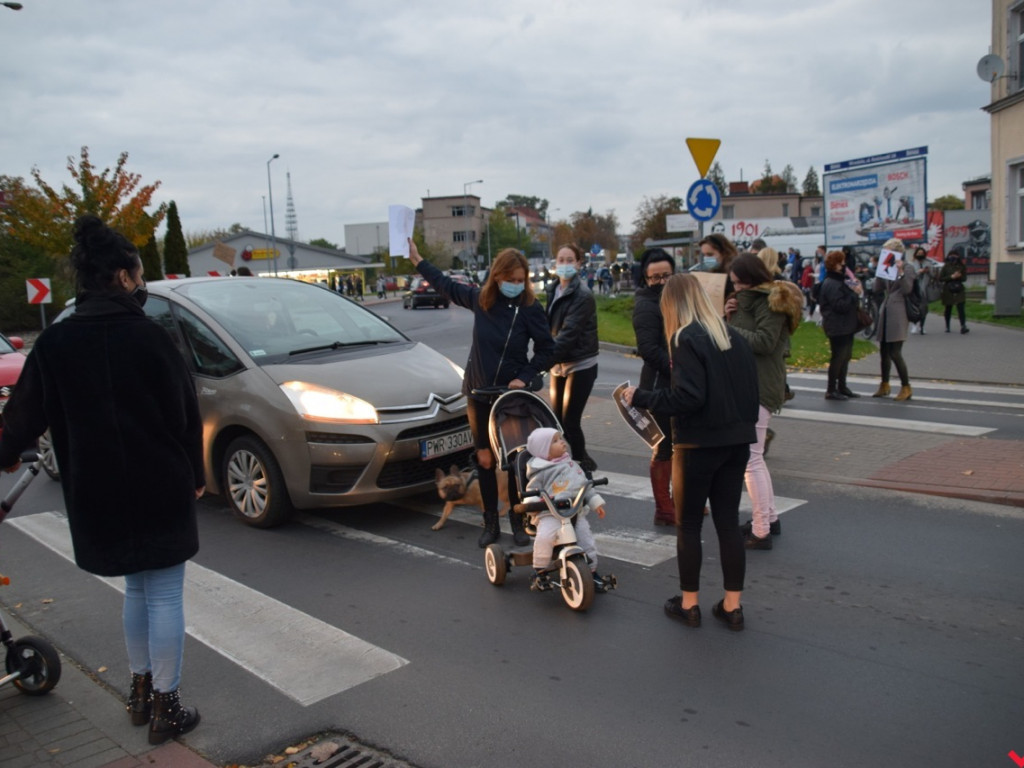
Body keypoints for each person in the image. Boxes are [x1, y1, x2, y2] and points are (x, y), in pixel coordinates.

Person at [0, 215, 203, 744]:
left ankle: (139, 693)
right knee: (162, 593)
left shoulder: (55, 344)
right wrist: (196, 476)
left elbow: (21, 419)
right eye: (138, 274)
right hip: (158, 482)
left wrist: (3, 453)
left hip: (96, 489)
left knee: (136, 589)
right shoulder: (152, 338)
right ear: (123, 277)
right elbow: (185, 415)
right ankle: (167, 706)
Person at [622, 274, 759, 631]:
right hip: (737, 443)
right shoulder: (733, 338)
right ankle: (732, 607)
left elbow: (688, 398)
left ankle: (689, 604)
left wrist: (642, 398)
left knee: (690, 525)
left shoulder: (685, 338)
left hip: (698, 445)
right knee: (728, 524)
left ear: (672, 305)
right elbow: (750, 393)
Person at [408, 239, 554, 547]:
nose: (516, 284)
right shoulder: (481, 300)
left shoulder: (530, 308)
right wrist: (418, 261)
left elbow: (547, 350)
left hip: (511, 398)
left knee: (516, 461)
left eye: (520, 280)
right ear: (497, 276)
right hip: (478, 393)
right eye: (510, 279)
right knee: (486, 461)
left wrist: (524, 377)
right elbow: (446, 285)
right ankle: (490, 523)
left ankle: (517, 519)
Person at [724, 254, 803, 550]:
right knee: (754, 457)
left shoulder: (772, 301)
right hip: (750, 384)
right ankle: (769, 518)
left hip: (759, 387)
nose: (735, 288)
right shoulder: (753, 299)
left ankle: (760, 531)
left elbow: (764, 342)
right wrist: (729, 315)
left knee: (751, 459)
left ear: (750, 279)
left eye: (737, 282)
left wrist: (728, 328)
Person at [523, 428, 608, 591]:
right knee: (545, 537)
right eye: (555, 441)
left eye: (561, 438)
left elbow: (584, 485)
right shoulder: (541, 471)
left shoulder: (571, 465)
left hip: (574, 512)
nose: (562, 442)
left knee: (586, 539)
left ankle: (591, 572)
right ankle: (540, 570)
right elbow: (532, 490)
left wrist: (596, 503)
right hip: (550, 513)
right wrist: (531, 506)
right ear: (545, 452)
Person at [631, 248, 676, 526]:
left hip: (681, 382)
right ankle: (664, 508)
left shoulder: (680, 298)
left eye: (666, 276)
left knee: (682, 445)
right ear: (646, 280)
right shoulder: (646, 305)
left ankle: (680, 498)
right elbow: (648, 348)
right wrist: (676, 366)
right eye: (655, 277)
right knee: (664, 446)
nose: (661, 282)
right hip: (660, 385)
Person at [546, 244, 599, 474]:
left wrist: (540, 363)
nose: (565, 264)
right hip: (558, 364)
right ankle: (571, 460)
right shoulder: (553, 289)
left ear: (578, 264)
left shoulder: (583, 295)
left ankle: (581, 466)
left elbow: (568, 335)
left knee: (570, 421)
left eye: (570, 260)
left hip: (580, 364)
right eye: (561, 259)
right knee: (556, 420)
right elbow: (548, 328)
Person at [871, 237, 916, 401]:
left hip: (899, 312)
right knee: (884, 352)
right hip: (886, 310)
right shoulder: (886, 267)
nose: (885, 254)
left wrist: (901, 271)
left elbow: (907, 289)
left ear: (898, 252)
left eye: (888, 251)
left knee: (895, 352)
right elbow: (877, 288)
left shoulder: (908, 268)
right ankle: (884, 384)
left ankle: (906, 386)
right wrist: (879, 272)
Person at [818, 249, 864, 400]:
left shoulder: (840, 280)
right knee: (838, 357)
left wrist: (856, 289)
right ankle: (831, 389)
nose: (844, 265)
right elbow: (840, 305)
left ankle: (842, 386)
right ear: (836, 265)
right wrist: (853, 294)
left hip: (845, 325)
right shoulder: (832, 283)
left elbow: (855, 290)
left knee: (845, 356)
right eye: (842, 262)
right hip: (837, 326)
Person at [940, 247, 970, 335]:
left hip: (959, 288)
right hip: (948, 289)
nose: (953, 257)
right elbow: (941, 278)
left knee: (961, 307)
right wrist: (951, 277)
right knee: (948, 308)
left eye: (955, 255)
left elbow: (964, 278)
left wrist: (959, 276)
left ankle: (963, 326)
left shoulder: (961, 266)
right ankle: (947, 326)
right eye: (951, 255)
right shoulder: (946, 266)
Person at [699, 233, 738, 297]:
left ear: (724, 252)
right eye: (704, 255)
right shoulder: (712, 273)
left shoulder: (735, 273)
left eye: (710, 254)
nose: (706, 258)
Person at [909, 246, 932, 334]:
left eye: (922, 253)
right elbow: (910, 275)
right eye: (918, 253)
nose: (920, 255)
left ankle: (922, 326)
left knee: (924, 309)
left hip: (925, 289)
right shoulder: (911, 264)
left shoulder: (928, 262)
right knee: (915, 308)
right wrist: (919, 272)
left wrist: (929, 271)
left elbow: (933, 275)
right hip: (914, 288)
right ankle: (914, 324)